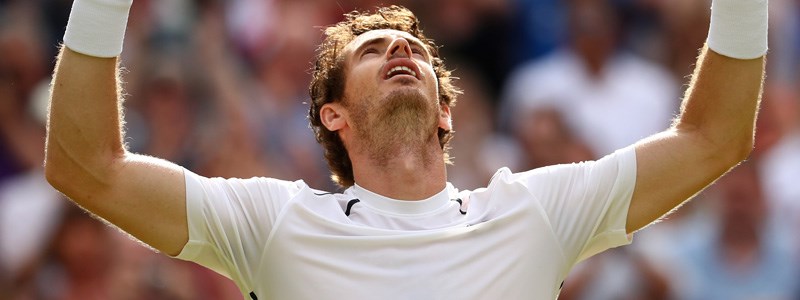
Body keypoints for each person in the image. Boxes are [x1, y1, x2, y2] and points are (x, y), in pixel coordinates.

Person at [44, 1, 767, 299]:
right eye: (373, 50)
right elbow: (86, 167)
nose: (400, 48)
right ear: (335, 116)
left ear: (446, 114)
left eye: (415, 49)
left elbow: (715, 138)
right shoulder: (272, 221)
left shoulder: (537, 210)